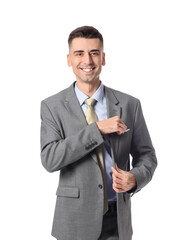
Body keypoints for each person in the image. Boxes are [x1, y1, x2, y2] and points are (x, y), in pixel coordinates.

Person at [40, 26, 157, 240]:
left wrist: (135, 178)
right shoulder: (52, 106)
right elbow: (50, 159)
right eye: (79, 53)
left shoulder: (130, 104)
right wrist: (97, 129)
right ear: (69, 59)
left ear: (103, 58)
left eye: (94, 53)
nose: (88, 60)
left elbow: (147, 156)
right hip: (73, 220)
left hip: (118, 220)